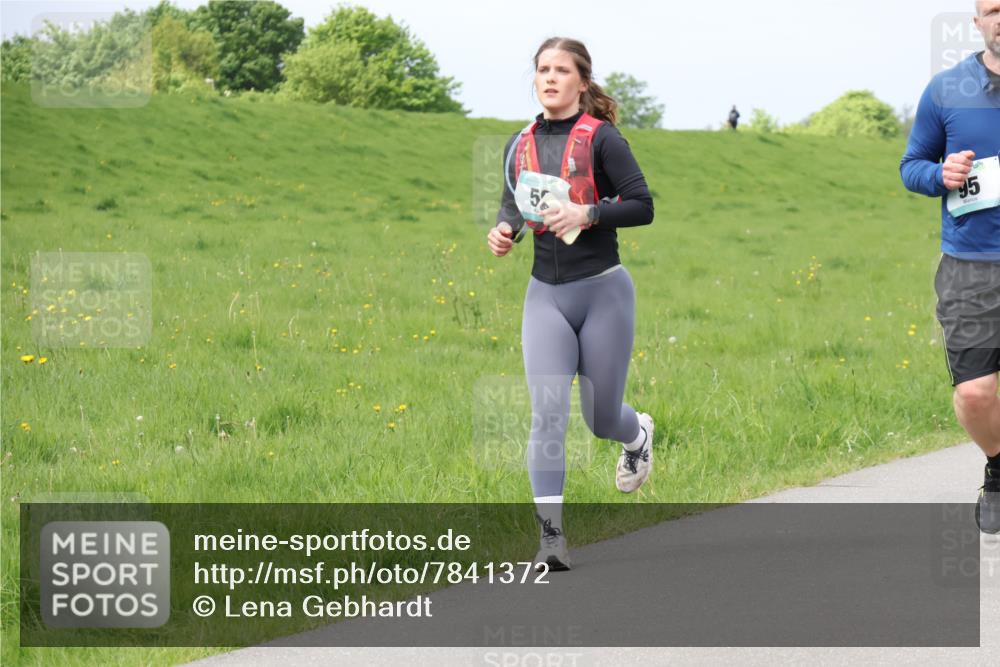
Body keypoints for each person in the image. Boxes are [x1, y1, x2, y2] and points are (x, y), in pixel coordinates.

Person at [487, 37, 655, 571]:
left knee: (600, 419)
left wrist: (589, 214)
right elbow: (514, 206)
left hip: (603, 291)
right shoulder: (519, 144)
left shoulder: (603, 139)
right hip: (545, 295)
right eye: (543, 69)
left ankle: (637, 434)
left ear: (582, 82)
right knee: (547, 416)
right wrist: (505, 231)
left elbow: (642, 205)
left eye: (562, 70)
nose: (550, 78)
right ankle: (551, 539)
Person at [900, 0, 1000, 532]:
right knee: (975, 393)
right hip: (970, 265)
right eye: (994, 9)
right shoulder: (946, 89)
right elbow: (911, 166)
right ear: (978, 21)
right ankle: (998, 468)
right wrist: (940, 174)